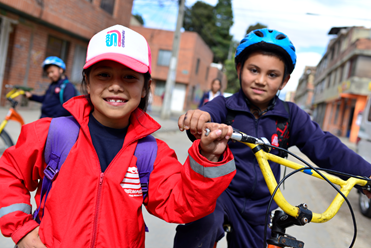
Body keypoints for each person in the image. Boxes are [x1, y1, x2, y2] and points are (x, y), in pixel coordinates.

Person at [0, 25, 236, 248]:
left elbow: (182, 204)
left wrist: (207, 157)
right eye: (103, 75)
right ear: (87, 83)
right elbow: (9, 174)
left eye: (129, 77)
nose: (115, 86)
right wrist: (22, 230)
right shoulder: (51, 133)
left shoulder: (152, 153)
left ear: (145, 87)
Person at [175, 28, 371, 247]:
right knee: (202, 224)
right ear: (239, 69)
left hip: (260, 207)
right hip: (222, 194)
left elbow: (325, 147)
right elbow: (207, 114)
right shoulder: (225, 106)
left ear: (284, 81)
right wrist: (200, 118)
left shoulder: (290, 116)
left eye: (272, 75)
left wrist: (367, 176)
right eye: (254, 70)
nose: (261, 80)